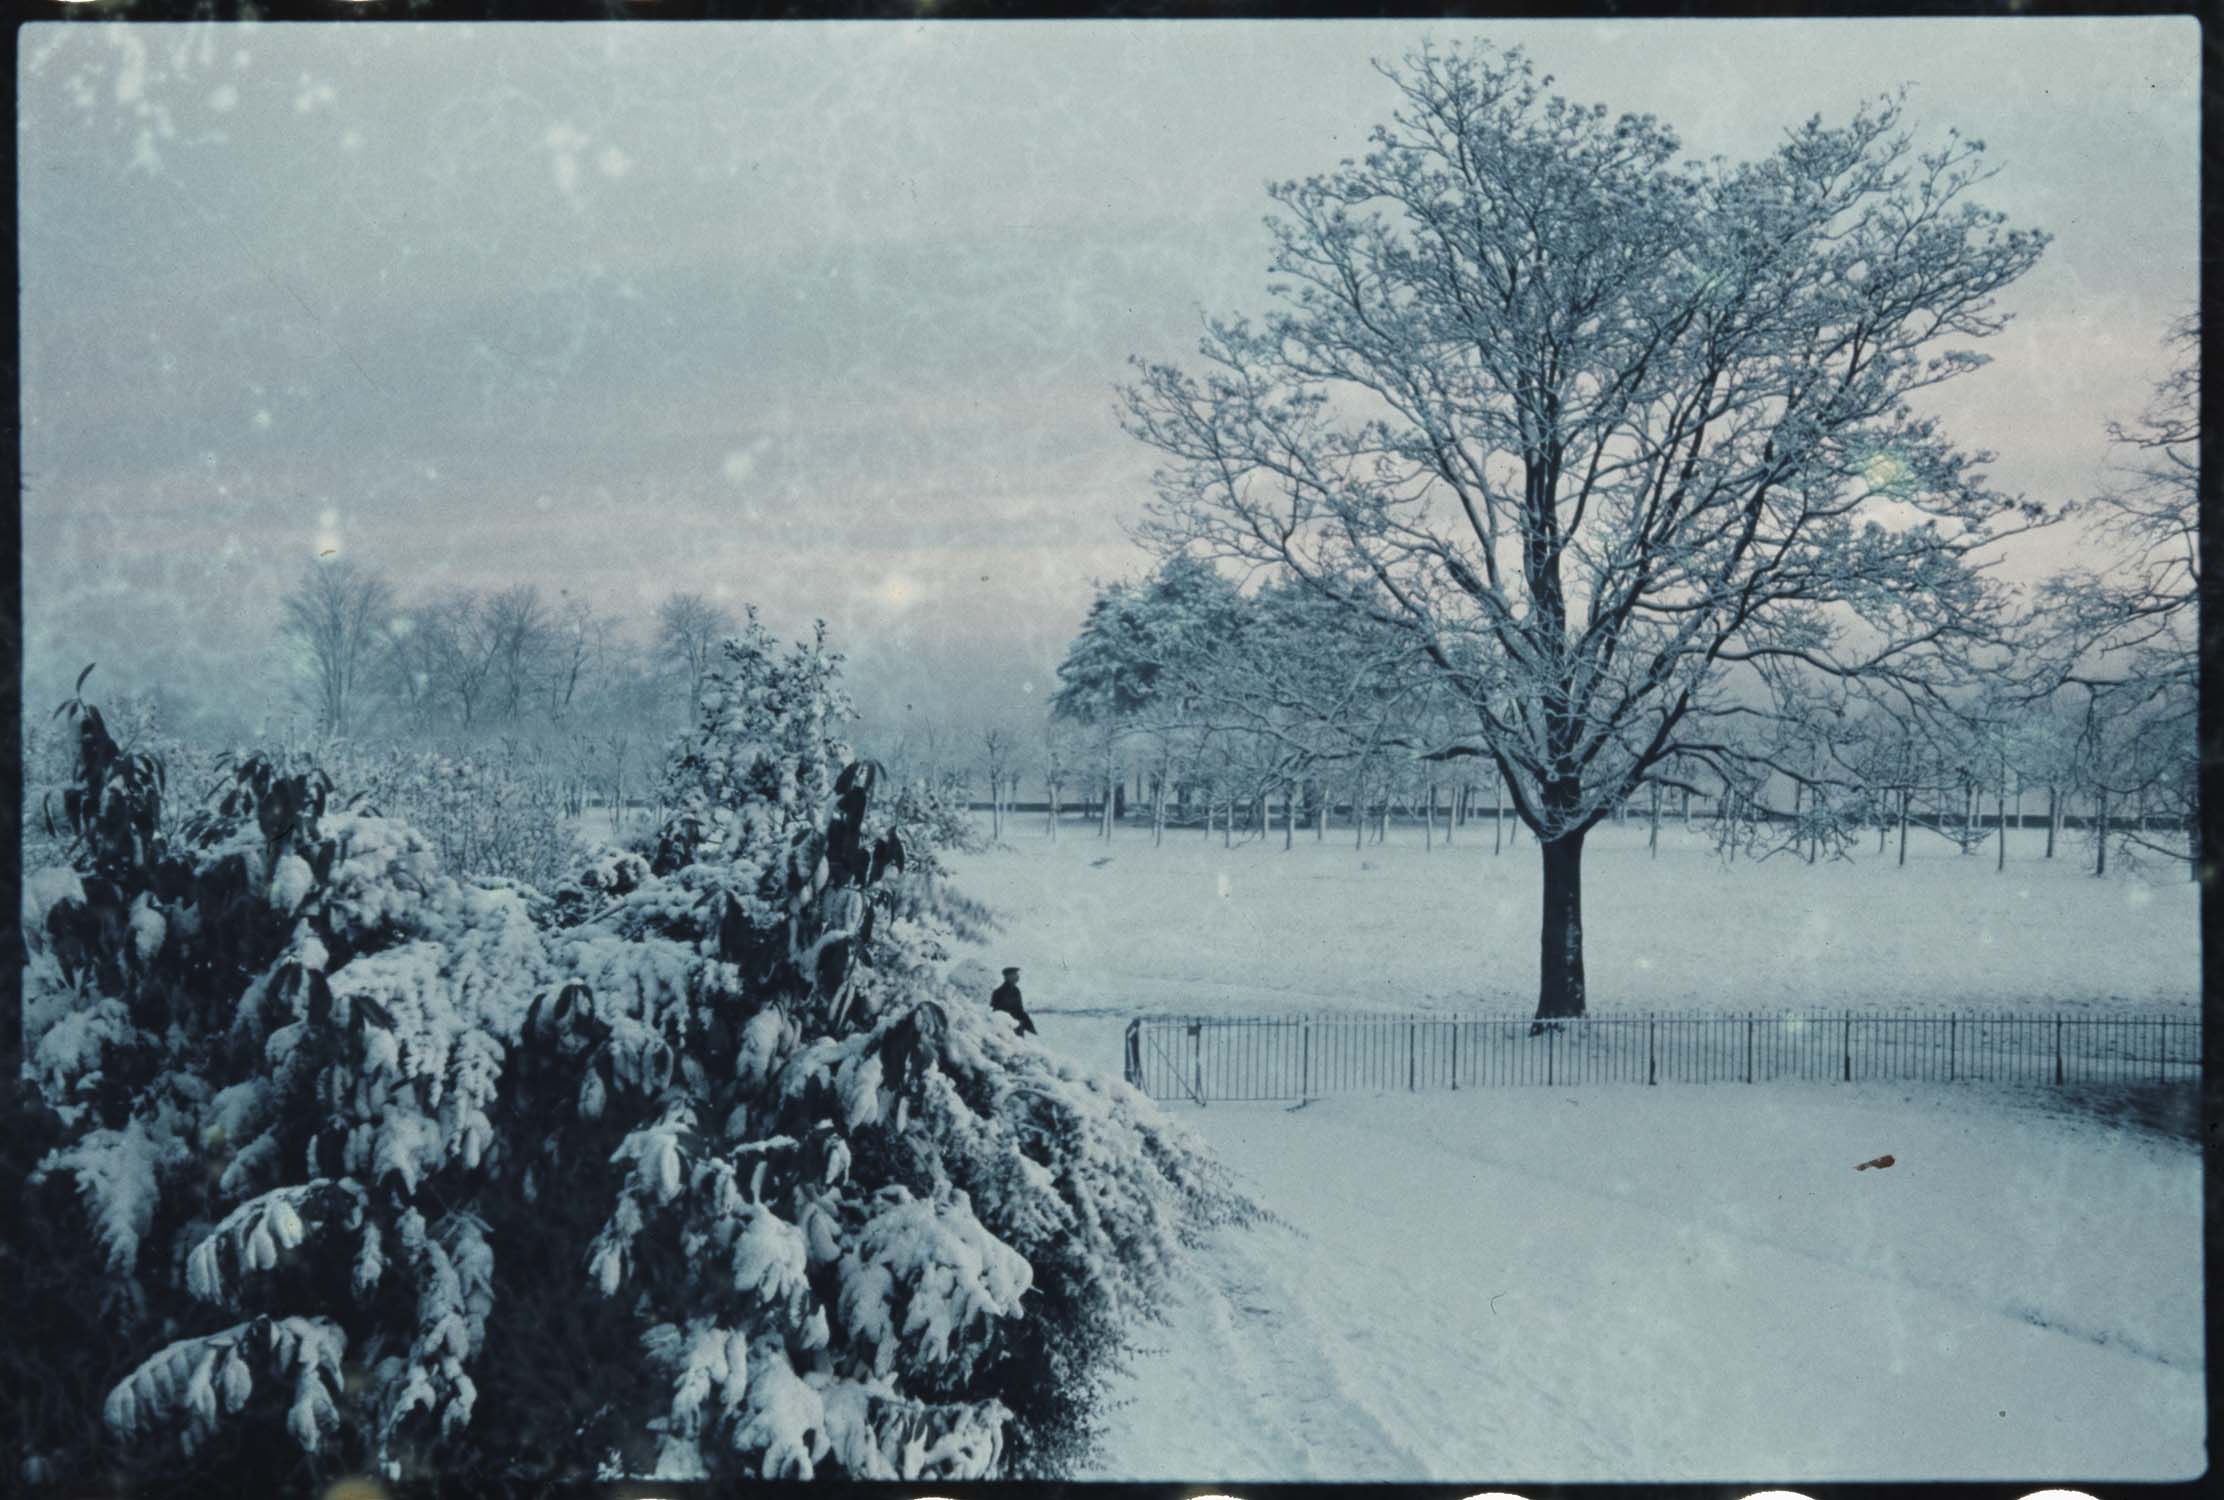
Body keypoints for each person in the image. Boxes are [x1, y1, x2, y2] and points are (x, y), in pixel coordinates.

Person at [989, 966, 1036, 1037]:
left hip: (1015, 1026)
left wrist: (1028, 1024)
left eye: (1017, 974)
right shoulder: (999, 992)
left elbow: (1020, 1009)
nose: (1018, 976)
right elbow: (996, 1011)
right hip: (1008, 1027)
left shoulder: (1016, 990)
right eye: (1015, 974)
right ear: (1008, 976)